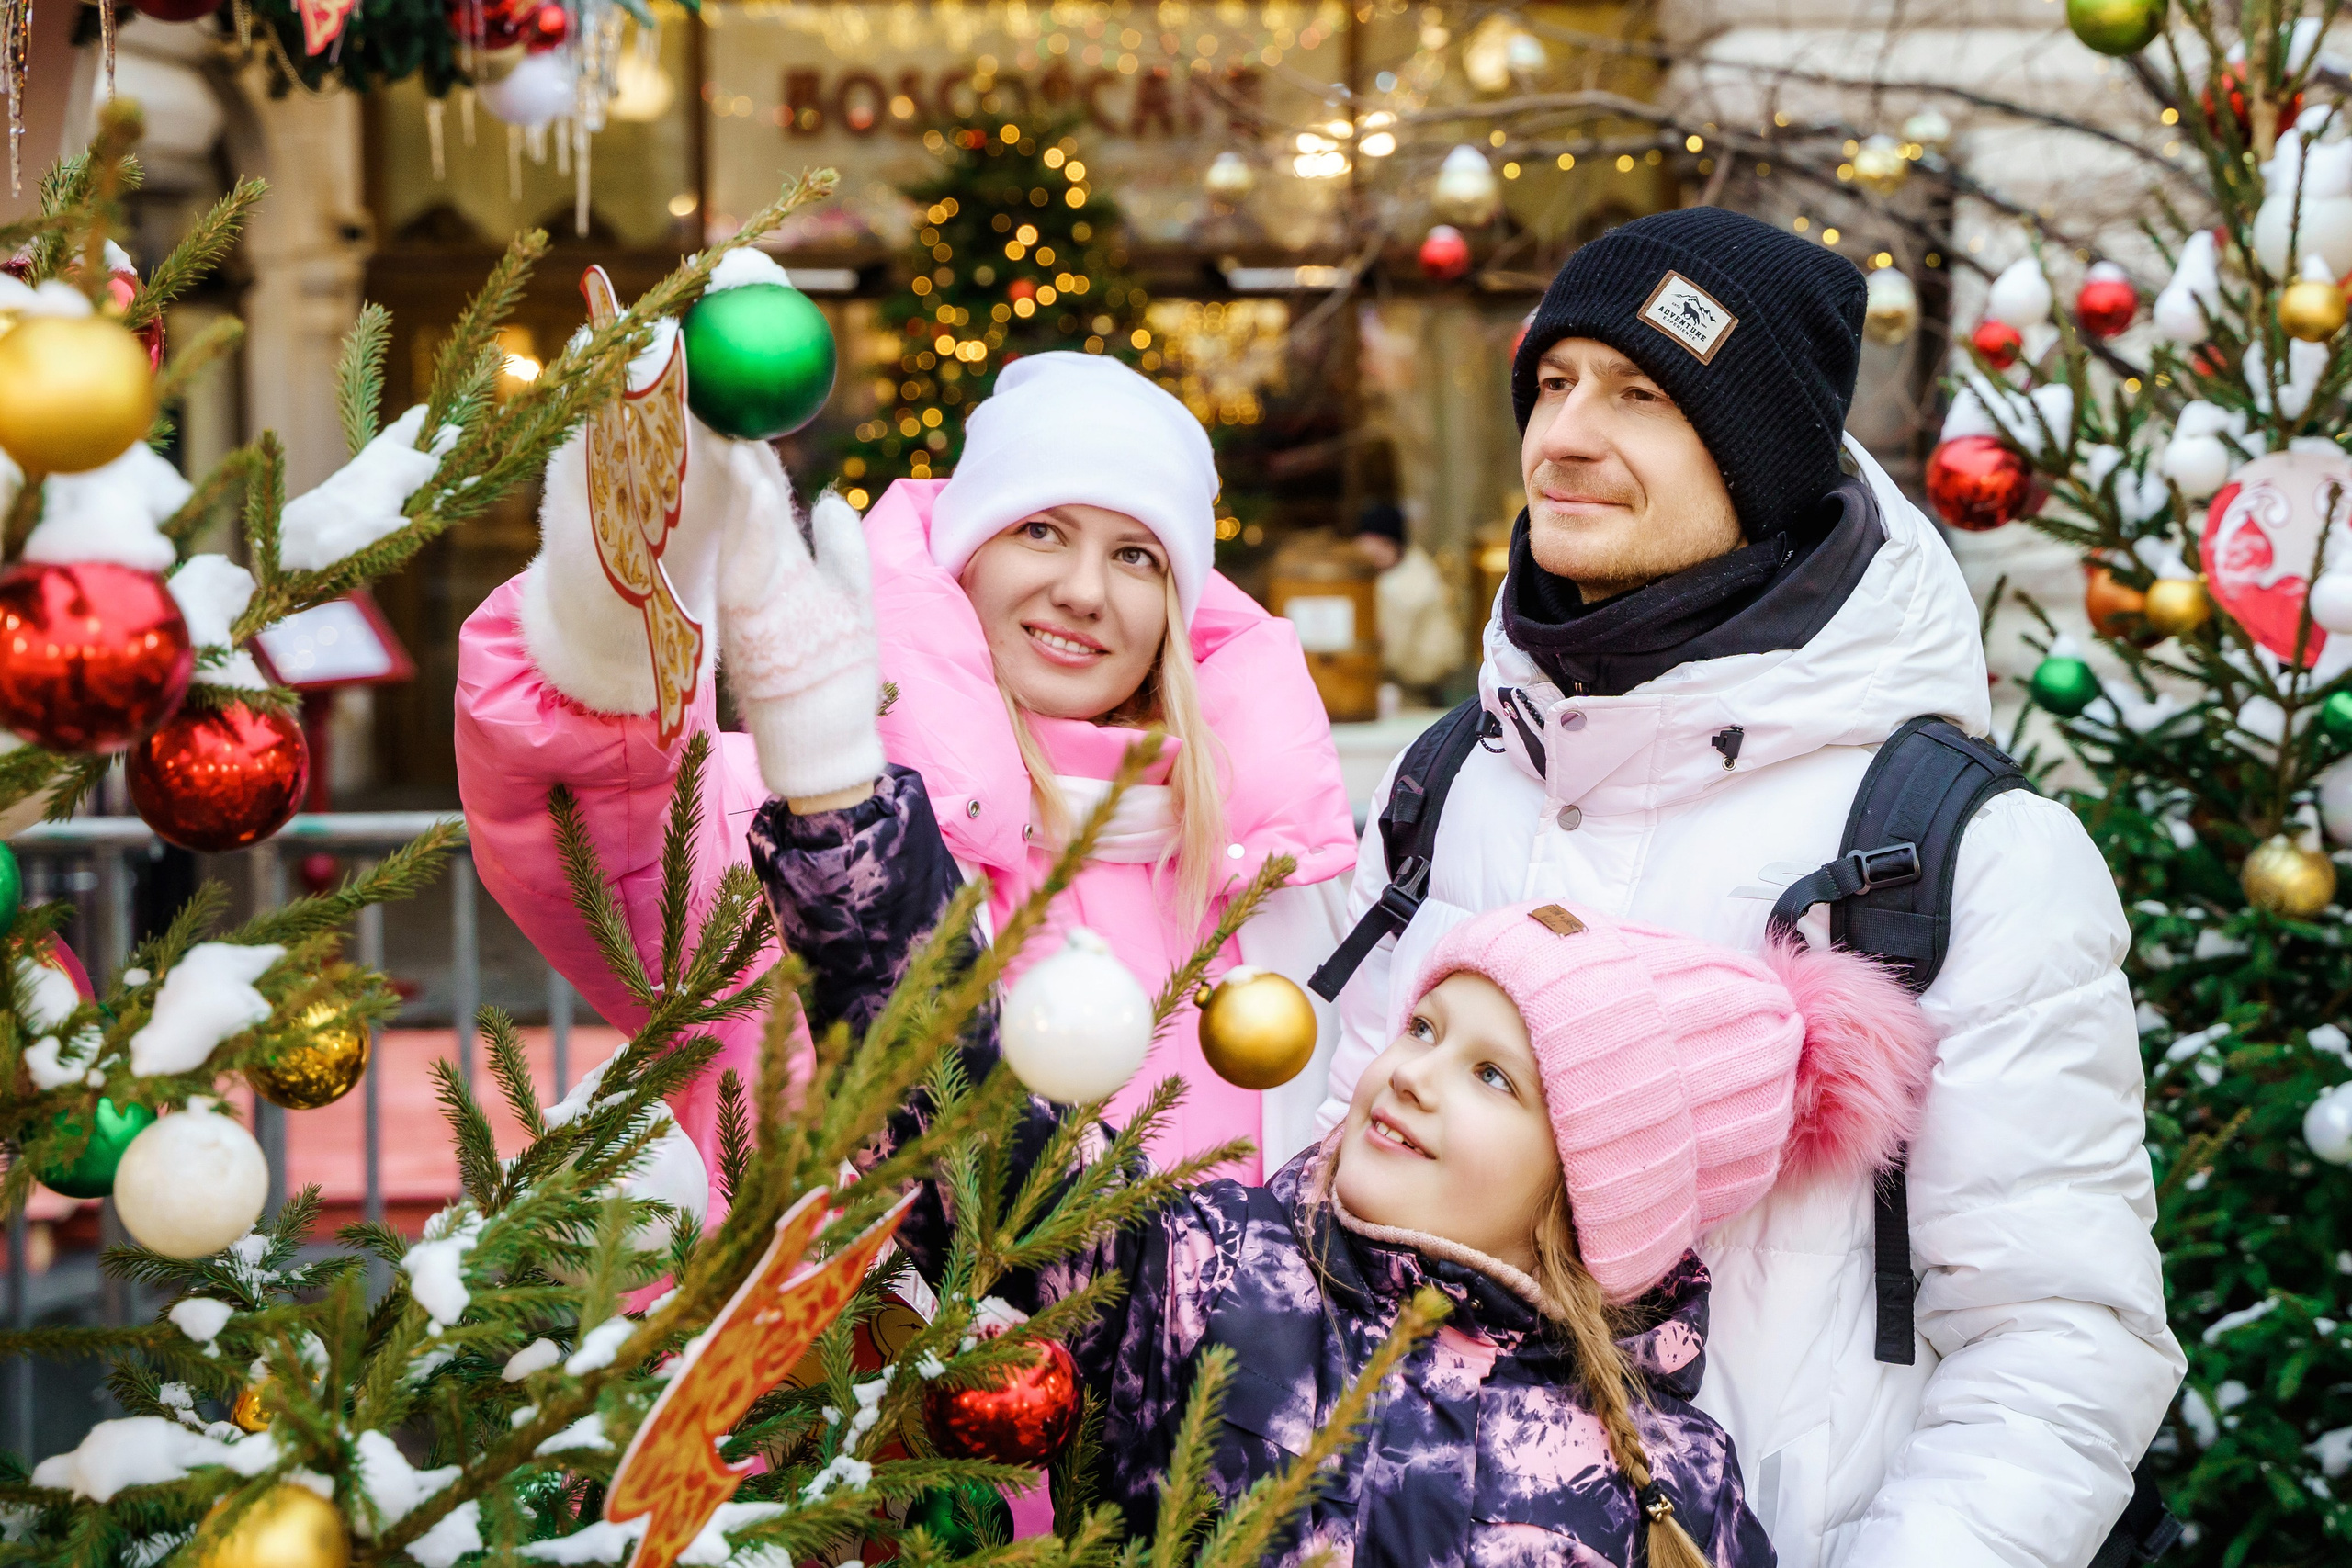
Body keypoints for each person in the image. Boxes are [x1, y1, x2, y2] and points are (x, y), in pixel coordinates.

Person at [728, 489, 1942, 1559]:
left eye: (1492, 1074)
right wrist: (837, 779)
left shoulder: (1667, 1483)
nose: (1410, 1074)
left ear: (1597, 1179)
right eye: (1422, 1030)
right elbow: (972, 1118)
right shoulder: (1212, 1277)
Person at [1312, 207, 2186, 1568]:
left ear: (1763, 454)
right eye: (1552, 383)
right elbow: (1340, 1192)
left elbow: (2061, 1336)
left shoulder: (1955, 847)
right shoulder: (1457, 781)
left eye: (1644, 395)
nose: (1564, 437)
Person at [455, 344, 1355, 1180]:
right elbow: (596, 815)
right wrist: (607, 629)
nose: (1084, 592)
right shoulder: (807, 827)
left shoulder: (1263, 869)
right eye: (1039, 531)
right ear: (961, 559)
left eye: (1135, 556)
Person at [1353, 498, 1465, 693]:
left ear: (1396, 546)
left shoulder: (1412, 584)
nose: (1374, 552)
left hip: (1418, 683)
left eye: (1382, 545)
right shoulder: (1379, 575)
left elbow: (1393, 653)